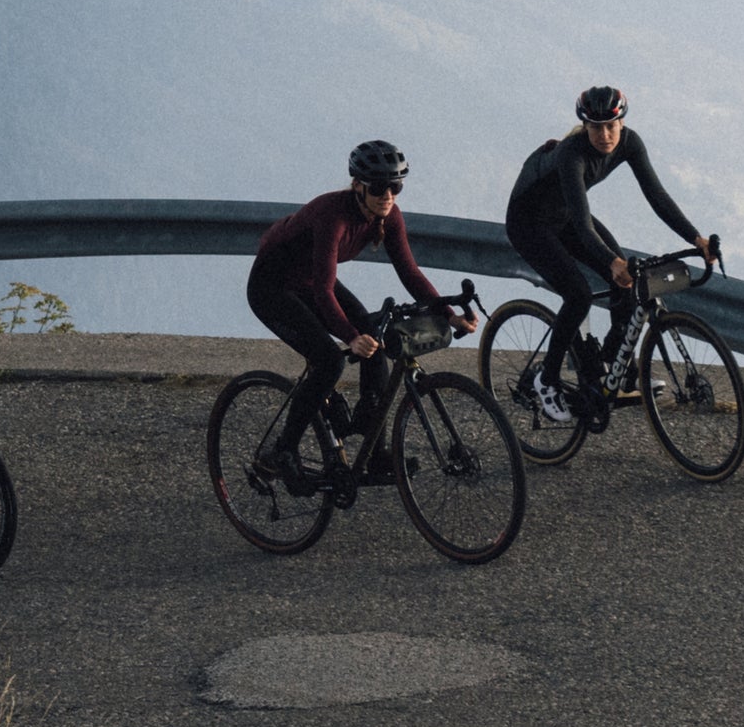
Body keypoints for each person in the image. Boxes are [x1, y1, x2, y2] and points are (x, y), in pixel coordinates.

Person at [245, 141, 473, 483]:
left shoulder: (389, 216)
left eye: (395, 187)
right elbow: (324, 291)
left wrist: (449, 314)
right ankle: (282, 450)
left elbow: (410, 272)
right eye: (379, 188)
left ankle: (376, 453)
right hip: (271, 287)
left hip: (310, 281)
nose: (388, 196)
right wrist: (351, 337)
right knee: (329, 361)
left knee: (375, 341)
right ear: (357, 186)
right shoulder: (332, 216)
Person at [503, 86, 719, 415]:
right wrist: (612, 261)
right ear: (585, 126)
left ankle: (612, 369)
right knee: (578, 295)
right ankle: (546, 380)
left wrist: (696, 239)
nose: (604, 135)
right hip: (528, 223)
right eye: (596, 127)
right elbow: (583, 223)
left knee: (628, 284)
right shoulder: (571, 153)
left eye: (611, 126)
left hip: (565, 217)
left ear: (622, 123)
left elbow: (657, 196)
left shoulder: (630, 143)